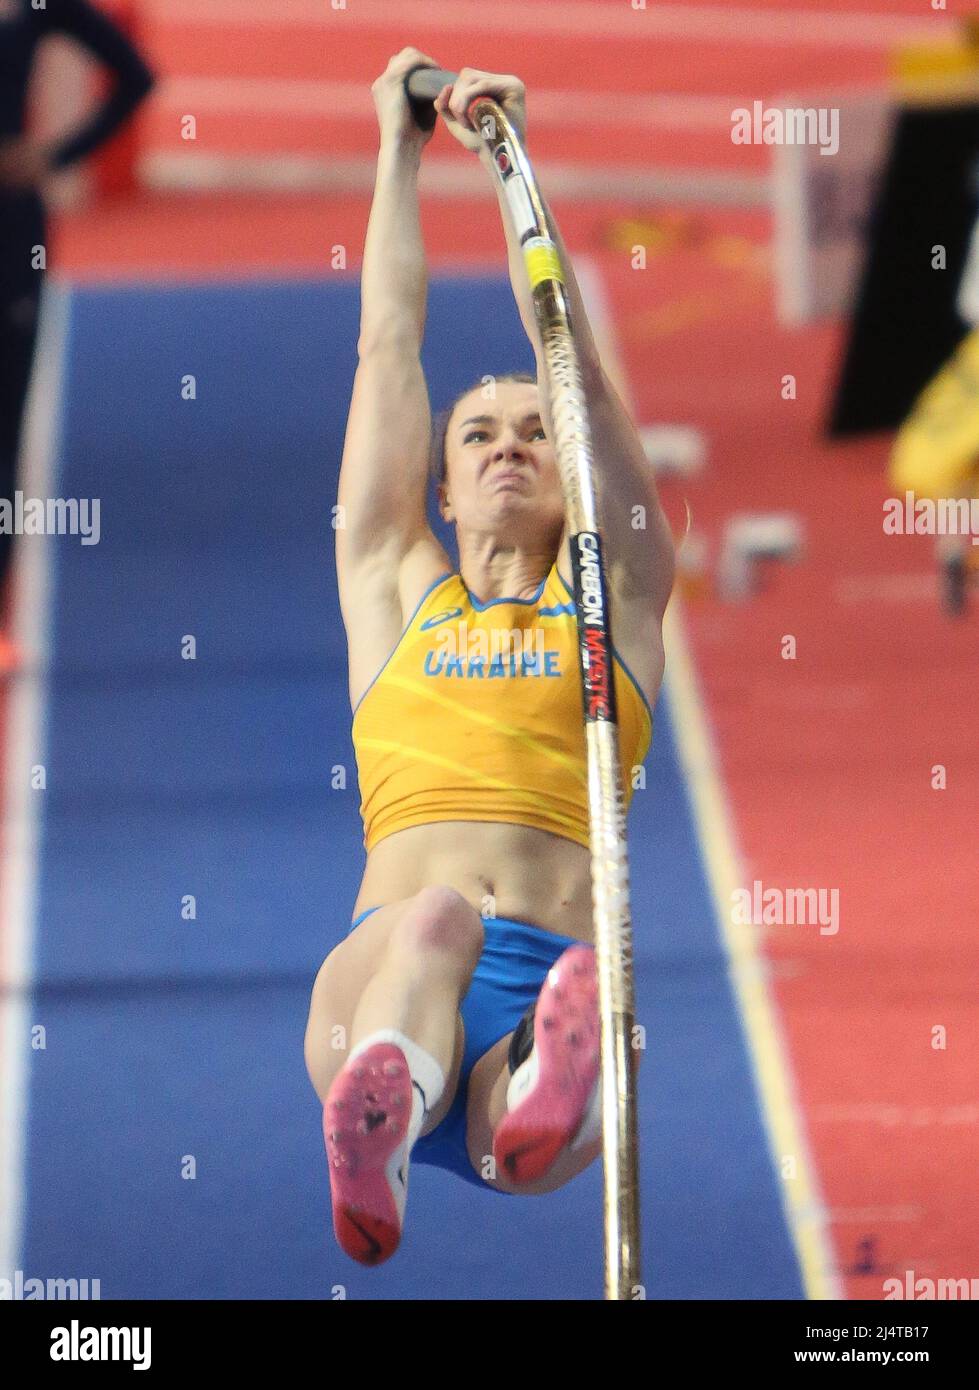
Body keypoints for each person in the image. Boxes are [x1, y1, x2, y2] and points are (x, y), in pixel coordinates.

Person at [303, 49, 675, 1267]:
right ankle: (387, 1110)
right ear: (444, 490)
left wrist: (518, 179)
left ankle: (529, 1097)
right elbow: (387, 343)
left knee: (592, 1035)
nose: (510, 445)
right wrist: (399, 150)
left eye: (534, 432)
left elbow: (574, 360)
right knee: (438, 927)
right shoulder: (395, 587)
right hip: (385, 975)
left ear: (569, 479)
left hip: (542, 975)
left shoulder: (610, 598)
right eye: (478, 435)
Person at [0, 0, 155, 658]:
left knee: (3, 432)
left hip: (12, 240)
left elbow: (136, 77)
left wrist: (58, 154)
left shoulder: (35, 9)